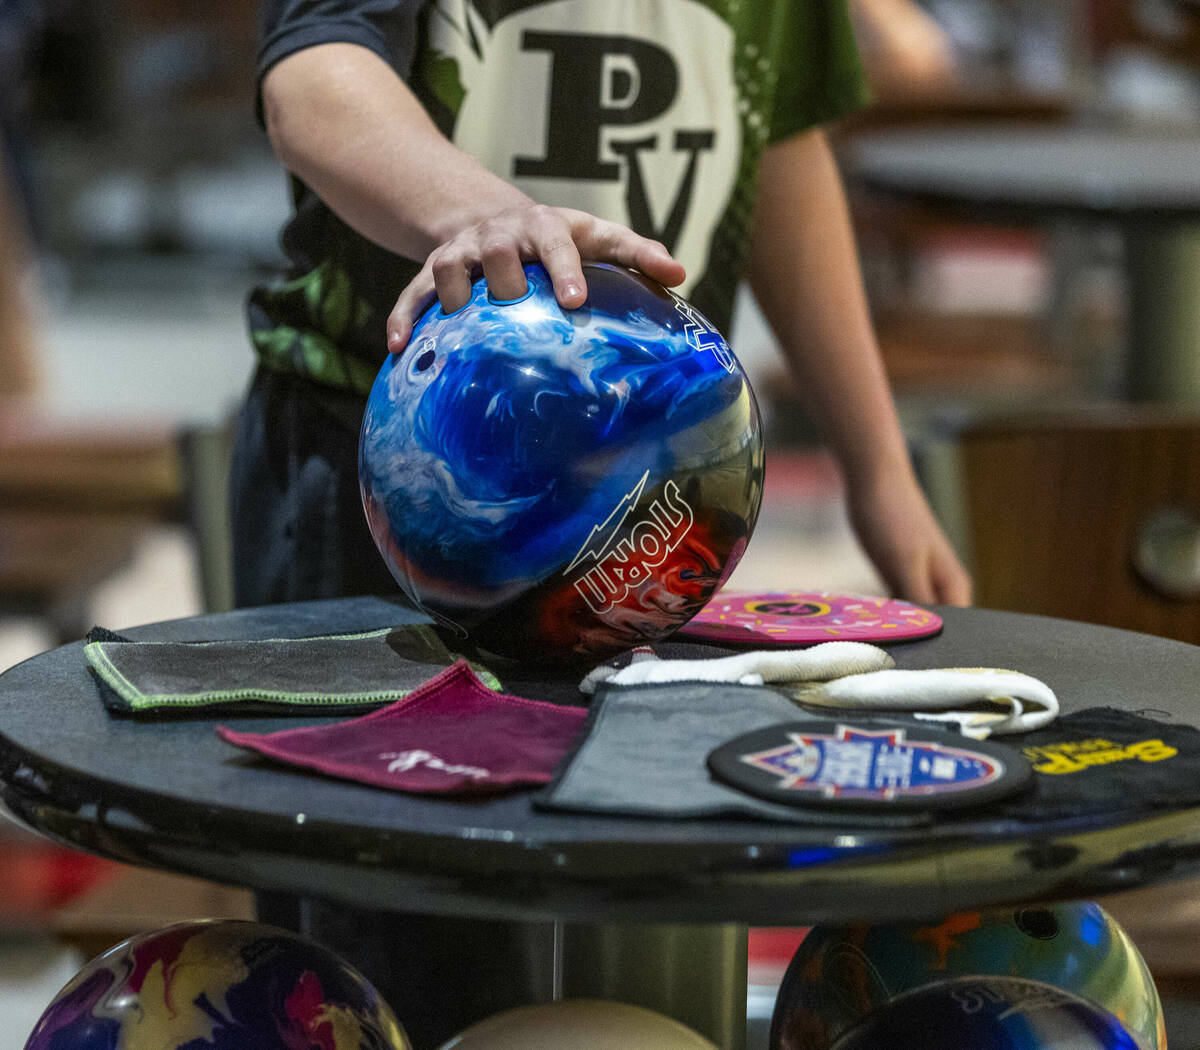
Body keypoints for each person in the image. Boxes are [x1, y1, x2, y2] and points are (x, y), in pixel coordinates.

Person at [231, 2, 971, 1044]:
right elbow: (311, 77)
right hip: (391, 490)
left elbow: (783, 147)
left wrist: (878, 467)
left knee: (653, 885)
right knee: (409, 969)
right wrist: (484, 214)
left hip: (661, 499)